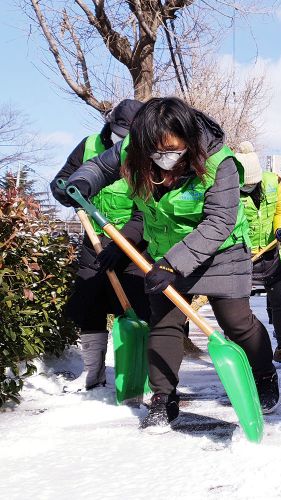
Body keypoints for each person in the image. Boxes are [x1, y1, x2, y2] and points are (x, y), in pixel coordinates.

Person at [64, 97, 280, 429]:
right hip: (165, 251)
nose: (165, 159)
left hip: (221, 251)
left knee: (235, 321)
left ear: (189, 141)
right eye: (156, 152)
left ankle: (264, 373)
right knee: (164, 321)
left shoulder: (219, 161)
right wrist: (82, 182)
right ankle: (164, 399)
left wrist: (172, 264)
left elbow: (218, 223)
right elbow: (102, 167)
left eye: (173, 151)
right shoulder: (135, 149)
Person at [50, 99, 150, 392]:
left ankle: (134, 373)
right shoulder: (90, 145)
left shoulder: (144, 153)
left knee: (135, 305)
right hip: (93, 241)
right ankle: (93, 372)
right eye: (119, 130)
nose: (122, 137)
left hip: (132, 243)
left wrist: (122, 245)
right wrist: (63, 191)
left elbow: (147, 210)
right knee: (90, 302)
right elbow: (63, 179)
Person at [236, 141, 281, 369]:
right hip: (241, 253)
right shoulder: (228, 184)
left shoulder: (273, 182)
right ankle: (241, 350)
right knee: (237, 304)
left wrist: (280, 228)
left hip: (270, 252)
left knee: (280, 301)